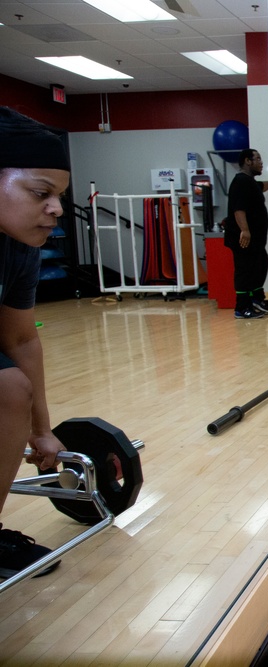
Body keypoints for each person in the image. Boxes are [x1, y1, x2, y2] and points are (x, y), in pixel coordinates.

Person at [0, 106, 72, 580]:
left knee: (11, 389)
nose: (57, 209)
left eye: (60, 196)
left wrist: (41, 429)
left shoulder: (19, 248)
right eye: (40, 194)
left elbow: (21, 337)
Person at [225, 148, 268, 320]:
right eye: (258, 159)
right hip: (243, 238)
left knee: (260, 265)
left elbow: (262, 186)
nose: (261, 162)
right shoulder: (240, 182)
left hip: (256, 241)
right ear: (247, 161)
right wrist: (245, 230)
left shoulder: (250, 182)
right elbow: (238, 209)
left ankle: (256, 299)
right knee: (244, 271)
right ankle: (242, 307)